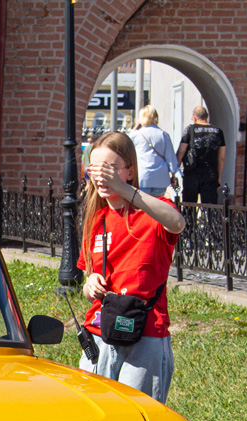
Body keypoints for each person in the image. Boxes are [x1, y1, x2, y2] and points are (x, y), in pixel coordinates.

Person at [76, 131, 186, 403]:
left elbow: (176, 222)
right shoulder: (96, 219)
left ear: (130, 171)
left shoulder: (151, 212)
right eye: (97, 169)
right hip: (100, 333)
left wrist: (125, 189)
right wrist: (89, 286)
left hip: (144, 335)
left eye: (111, 169)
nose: (103, 177)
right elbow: (88, 280)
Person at [175, 106, 226, 205]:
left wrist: (175, 172)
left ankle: (189, 220)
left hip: (191, 173)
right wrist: (219, 177)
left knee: (189, 206)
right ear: (207, 116)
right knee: (210, 207)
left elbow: (181, 152)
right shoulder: (218, 131)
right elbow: (221, 158)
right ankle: (209, 220)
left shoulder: (190, 130)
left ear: (194, 118)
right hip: (210, 174)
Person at [128, 106, 180, 198]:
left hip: (142, 176)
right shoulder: (163, 135)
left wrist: (135, 128)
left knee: (142, 205)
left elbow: (126, 144)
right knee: (158, 206)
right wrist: (173, 175)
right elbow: (170, 157)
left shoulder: (135, 135)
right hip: (160, 178)